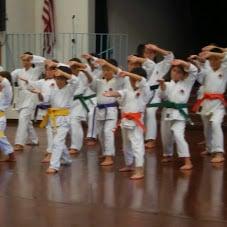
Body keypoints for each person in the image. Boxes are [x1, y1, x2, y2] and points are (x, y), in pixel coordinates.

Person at [103, 67, 150, 179]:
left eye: (133, 78)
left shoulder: (145, 90)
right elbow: (119, 93)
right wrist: (111, 93)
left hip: (136, 121)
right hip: (125, 120)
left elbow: (141, 79)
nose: (131, 80)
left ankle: (139, 169)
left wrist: (129, 73)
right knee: (126, 144)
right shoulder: (127, 90)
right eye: (130, 78)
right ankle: (129, 164)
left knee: (137, 145)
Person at [35, 63, 80, 173]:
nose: (58, 80)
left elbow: (76, 80)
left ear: (65, 79)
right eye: (56, 78)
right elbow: (45, 99)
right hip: (53, 118)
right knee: (58, 141)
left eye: (60, 78)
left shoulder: (71, 87)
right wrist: (39, 94)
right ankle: (67, 159)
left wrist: (62, 72)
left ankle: (54, 166)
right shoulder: (51, 86)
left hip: (64, 117)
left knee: (57, 141)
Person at [155, 59, 198, 170]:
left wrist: (182, 63)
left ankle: (187, 160)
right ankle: (168, 154)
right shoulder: (168, 84)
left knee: (178, 134)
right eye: (174, 70)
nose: (175, 73)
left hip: (180, 114)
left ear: (184, 74)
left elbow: (194, 70)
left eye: (179, 72)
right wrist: (162, 87)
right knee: (166, 136)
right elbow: (162, 96)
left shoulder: (187, 82)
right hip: (167, 112)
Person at [192, 45, 227, 163]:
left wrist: (214, 51)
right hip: (206, 102)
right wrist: (197, 63)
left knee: (216, 124)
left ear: (219, 59)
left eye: (214, 59)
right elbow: (200, 79)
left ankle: (219, 152)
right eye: (210, 59)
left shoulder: (225, 68)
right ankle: (209, 148)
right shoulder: (207, 70)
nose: (212, 62)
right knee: (207, 127)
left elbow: (225, 55)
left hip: (218, 104)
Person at [11, 52, 45, 151]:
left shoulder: (36, 69)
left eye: (27, 60)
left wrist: (32, 57)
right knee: (26, 121)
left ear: (31, 60)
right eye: (23, 60)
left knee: (23, 118)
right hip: (21, 98)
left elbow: (44, 61)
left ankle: (19, 143)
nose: (25, 62)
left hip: (31, 96)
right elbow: (8, 78)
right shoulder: (18, 71)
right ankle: (34, 140)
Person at [0, 71, 16, 162]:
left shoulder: (7, 90)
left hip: (0, 117)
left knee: (0, 136)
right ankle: (10, 154)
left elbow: (4, 81)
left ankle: (11, 154)